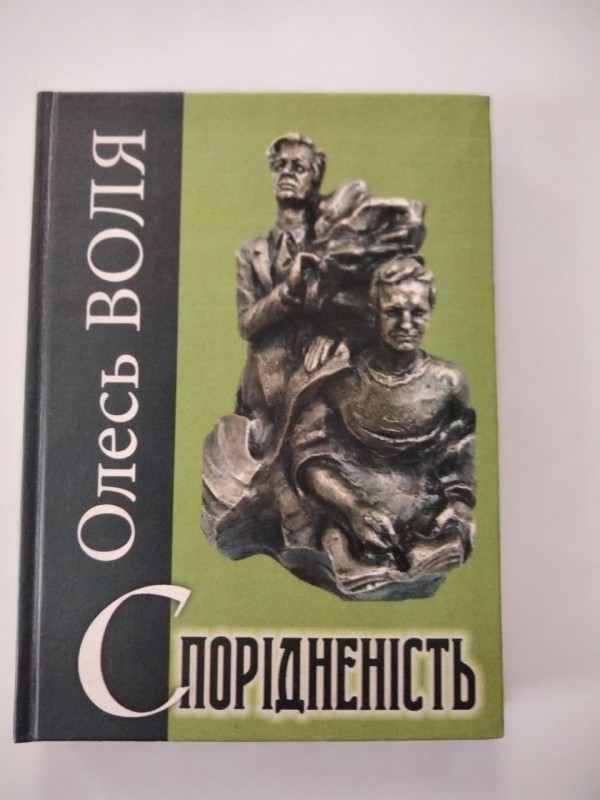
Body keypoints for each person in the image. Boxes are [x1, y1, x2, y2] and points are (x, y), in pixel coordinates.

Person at [287, 256, 476, 597]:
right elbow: (310, 456)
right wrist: (353, 508)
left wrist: (457, 504)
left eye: (418, 312)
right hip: (352, 504)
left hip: (424, 508)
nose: (406, 323)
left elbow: (459, 458)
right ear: (374, 313)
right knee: (327, 536)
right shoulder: (342, 379)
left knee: (445, 541)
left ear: (431, 312)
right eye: (393, 312)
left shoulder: (449, 382)